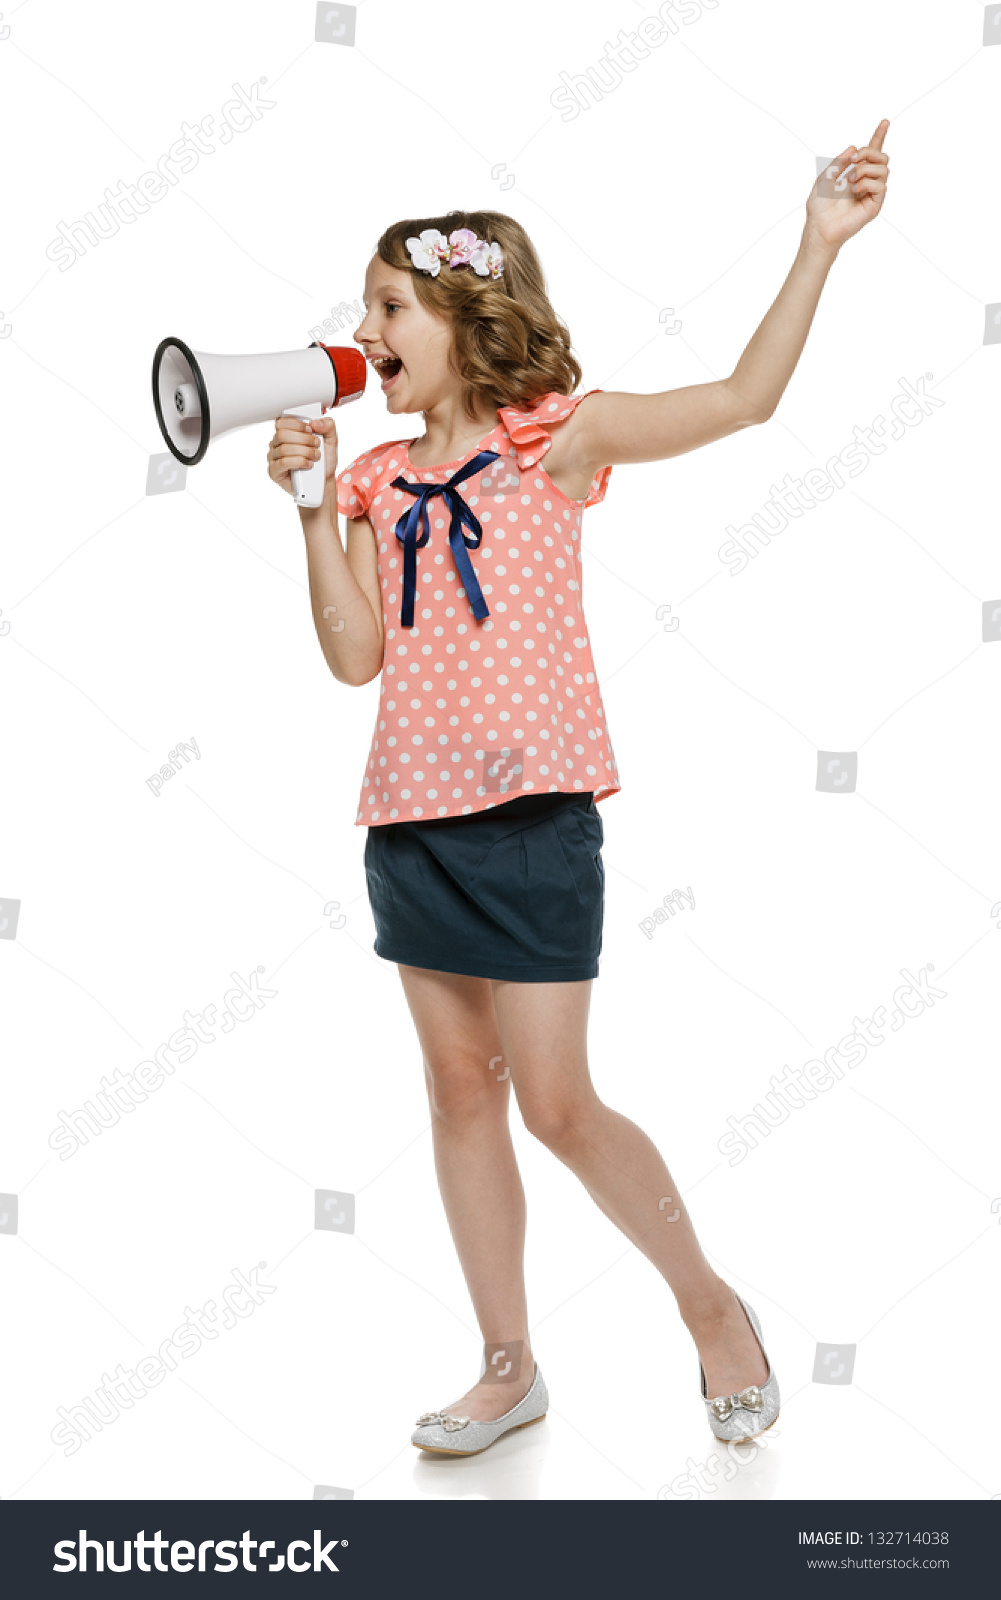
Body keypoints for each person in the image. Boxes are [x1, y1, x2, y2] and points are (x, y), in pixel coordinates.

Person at [267, 125, 889, 1459]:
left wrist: (815, 244)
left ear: (459, 316)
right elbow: (351, 657)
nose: (360, 327)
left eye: (385, 304)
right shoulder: (375, 480)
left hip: (535, 826)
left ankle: (710, 1309)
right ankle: (507, 1366)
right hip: (409, 828)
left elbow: (742, 400)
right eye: (364, 303)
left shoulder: (559, 439)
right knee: (454, 1091)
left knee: (554, 1103)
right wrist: (316, 514)